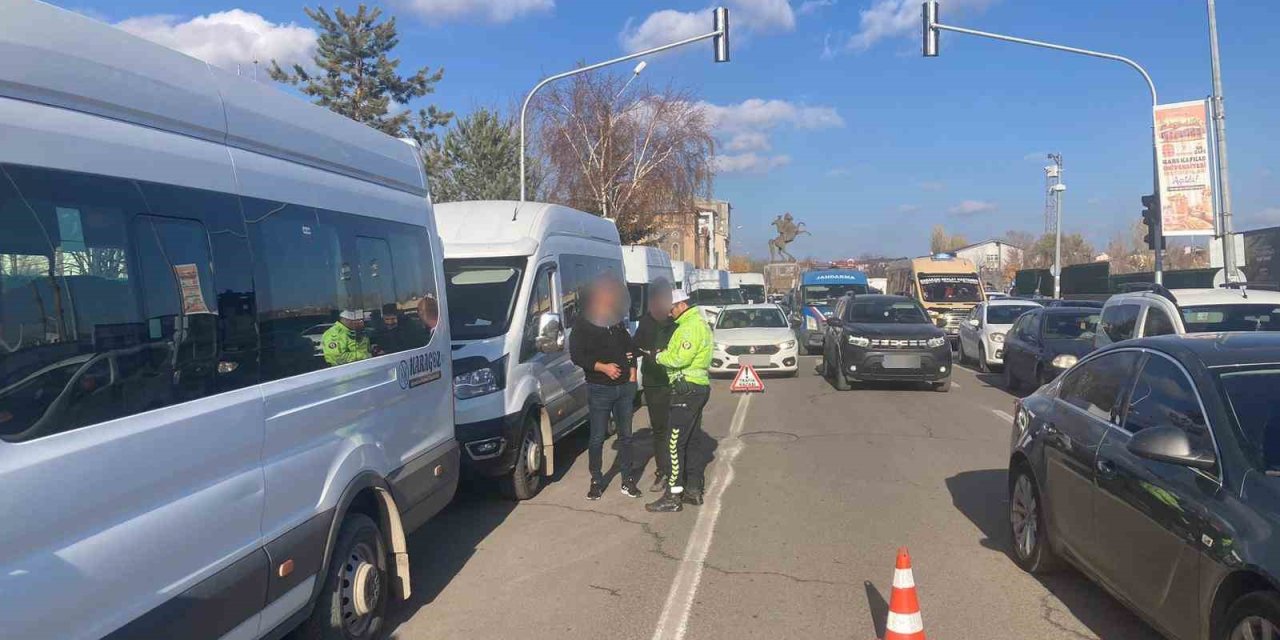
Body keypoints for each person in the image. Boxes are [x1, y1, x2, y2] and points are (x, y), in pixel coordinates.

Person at [569, 275, 640, 500]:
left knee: (627, 436)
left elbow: (630, 348)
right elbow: (577, 355)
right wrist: (603, 367)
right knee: (598, 438)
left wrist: (632, 374)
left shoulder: (615, 320)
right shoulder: (583, 323)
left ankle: (627, 480)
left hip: (624, 390)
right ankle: (596, 480)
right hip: (600, 388)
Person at [646, 289, 713, 513]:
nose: (670, 313)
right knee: (692, 440)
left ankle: (672, 496)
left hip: (687, 389)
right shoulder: (695, 324)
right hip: (696, 387)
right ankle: (693, 489)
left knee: (673, 444)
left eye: (671, 309)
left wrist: (657, 356)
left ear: (682, 304)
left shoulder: (689, 327)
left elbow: (679, 358)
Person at [632, 279, 677, 492]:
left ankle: (678, 473)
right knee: (660, 430)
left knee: (676, 430)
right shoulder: (646, 321)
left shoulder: (677, 321)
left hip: (676, 381)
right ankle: (663, 471)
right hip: (654, 383)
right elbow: (636, 344)